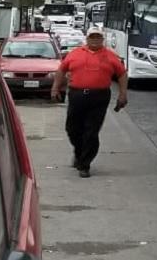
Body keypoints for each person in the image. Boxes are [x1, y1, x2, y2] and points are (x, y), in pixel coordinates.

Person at [51, 27, 128, 178]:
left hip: (99, 97)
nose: (95, 40)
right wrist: (55, 88)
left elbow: (122, 74)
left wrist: (123, 94)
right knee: (72, 128)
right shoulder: (75, 53)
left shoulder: (110, 56)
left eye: (98, 37)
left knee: (91, 131)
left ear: (102, 39)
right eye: (92, 37)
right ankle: (79, 153)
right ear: (87, 39)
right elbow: (61, 70)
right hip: (77, 95)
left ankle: (84, 165)